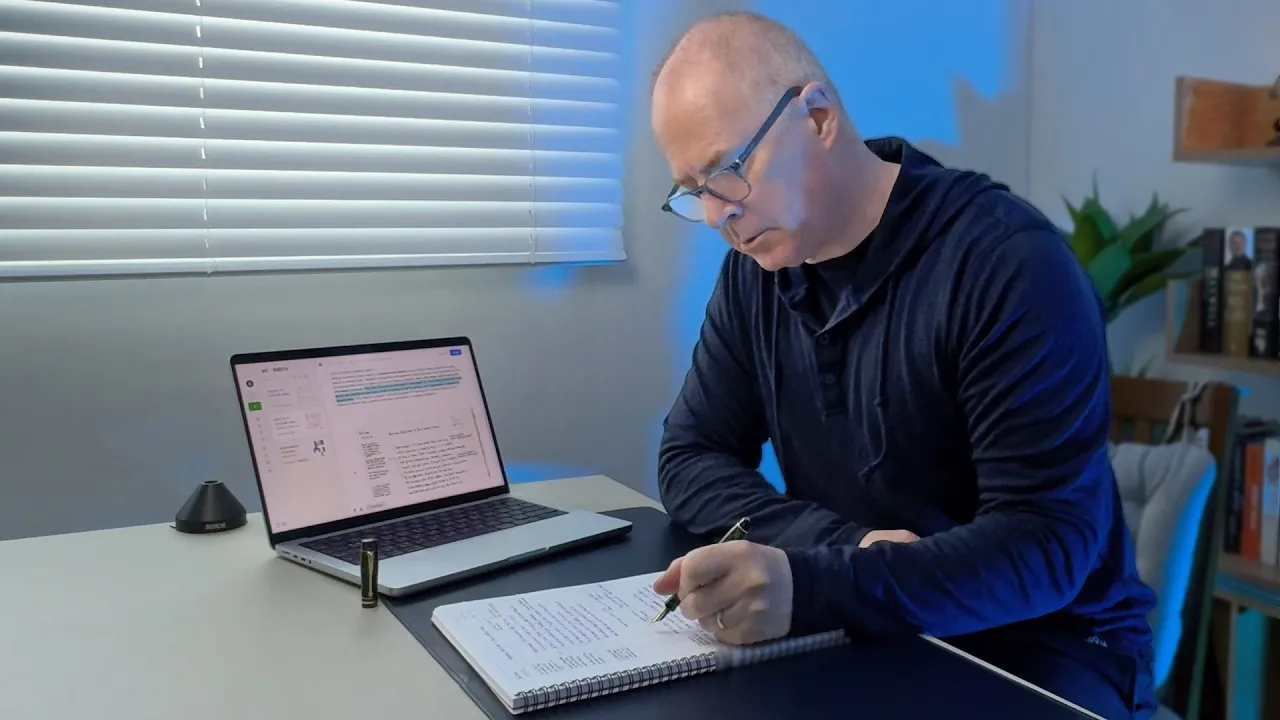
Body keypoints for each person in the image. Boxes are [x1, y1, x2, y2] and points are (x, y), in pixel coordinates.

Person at [647, 11, 1158, 719]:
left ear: (818, 117)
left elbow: (1045, 548)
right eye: (692, 189)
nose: (714, 216)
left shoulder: (1007, 263)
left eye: (728, 172)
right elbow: (690, 454)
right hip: (874, 621)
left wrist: (814, 585)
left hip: (1047, 648)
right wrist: (840, 548)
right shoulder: (758, 271)